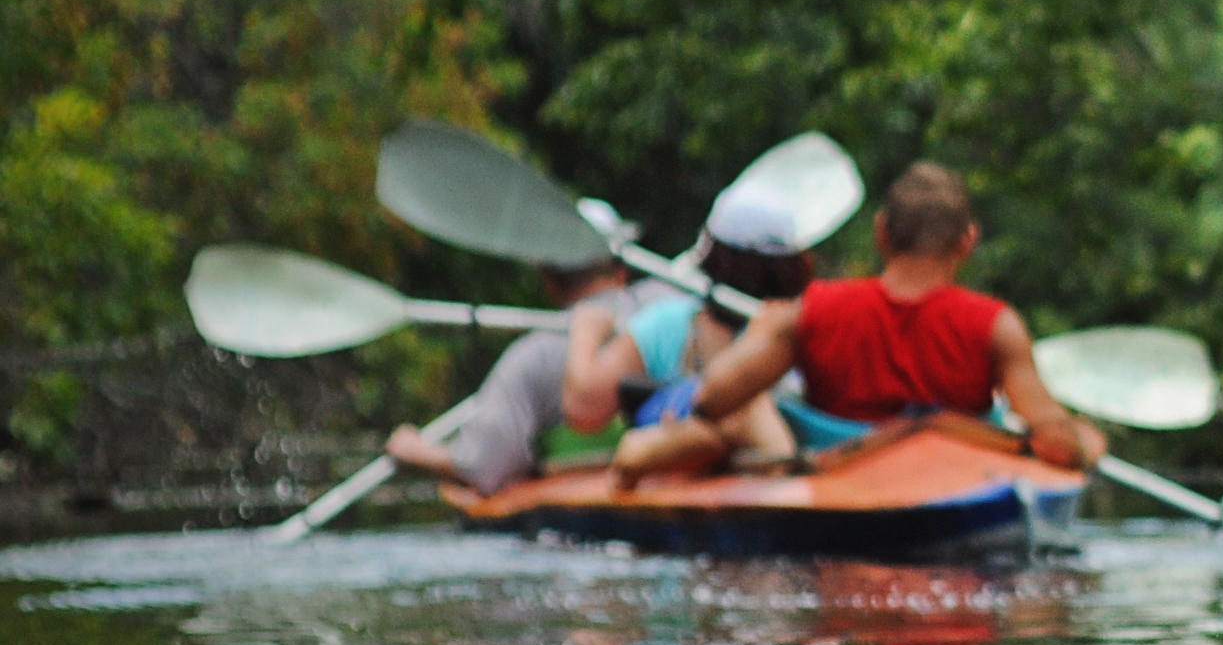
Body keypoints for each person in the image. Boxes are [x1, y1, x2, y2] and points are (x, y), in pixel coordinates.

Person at [614, 162, 1103, 482]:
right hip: (947, 485)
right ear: (967, 241)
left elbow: (713, 400)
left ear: (880, 235)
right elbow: (1056, 445)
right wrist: (1090, 439)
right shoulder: (996, 326)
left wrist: (763, 334)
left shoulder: (812, 310)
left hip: (837, 484)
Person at [590, 178, 824, 469]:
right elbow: (587, 407)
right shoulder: (667, 323)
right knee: (742, 408)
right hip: (691, 466)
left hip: (782, 467)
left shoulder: (802, 325)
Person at [383, 254, 665, 491]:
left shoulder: (533, 356)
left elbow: (484, 468)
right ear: (621, 270)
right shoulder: (675, 304)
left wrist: (416, 452)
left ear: (547, 280)